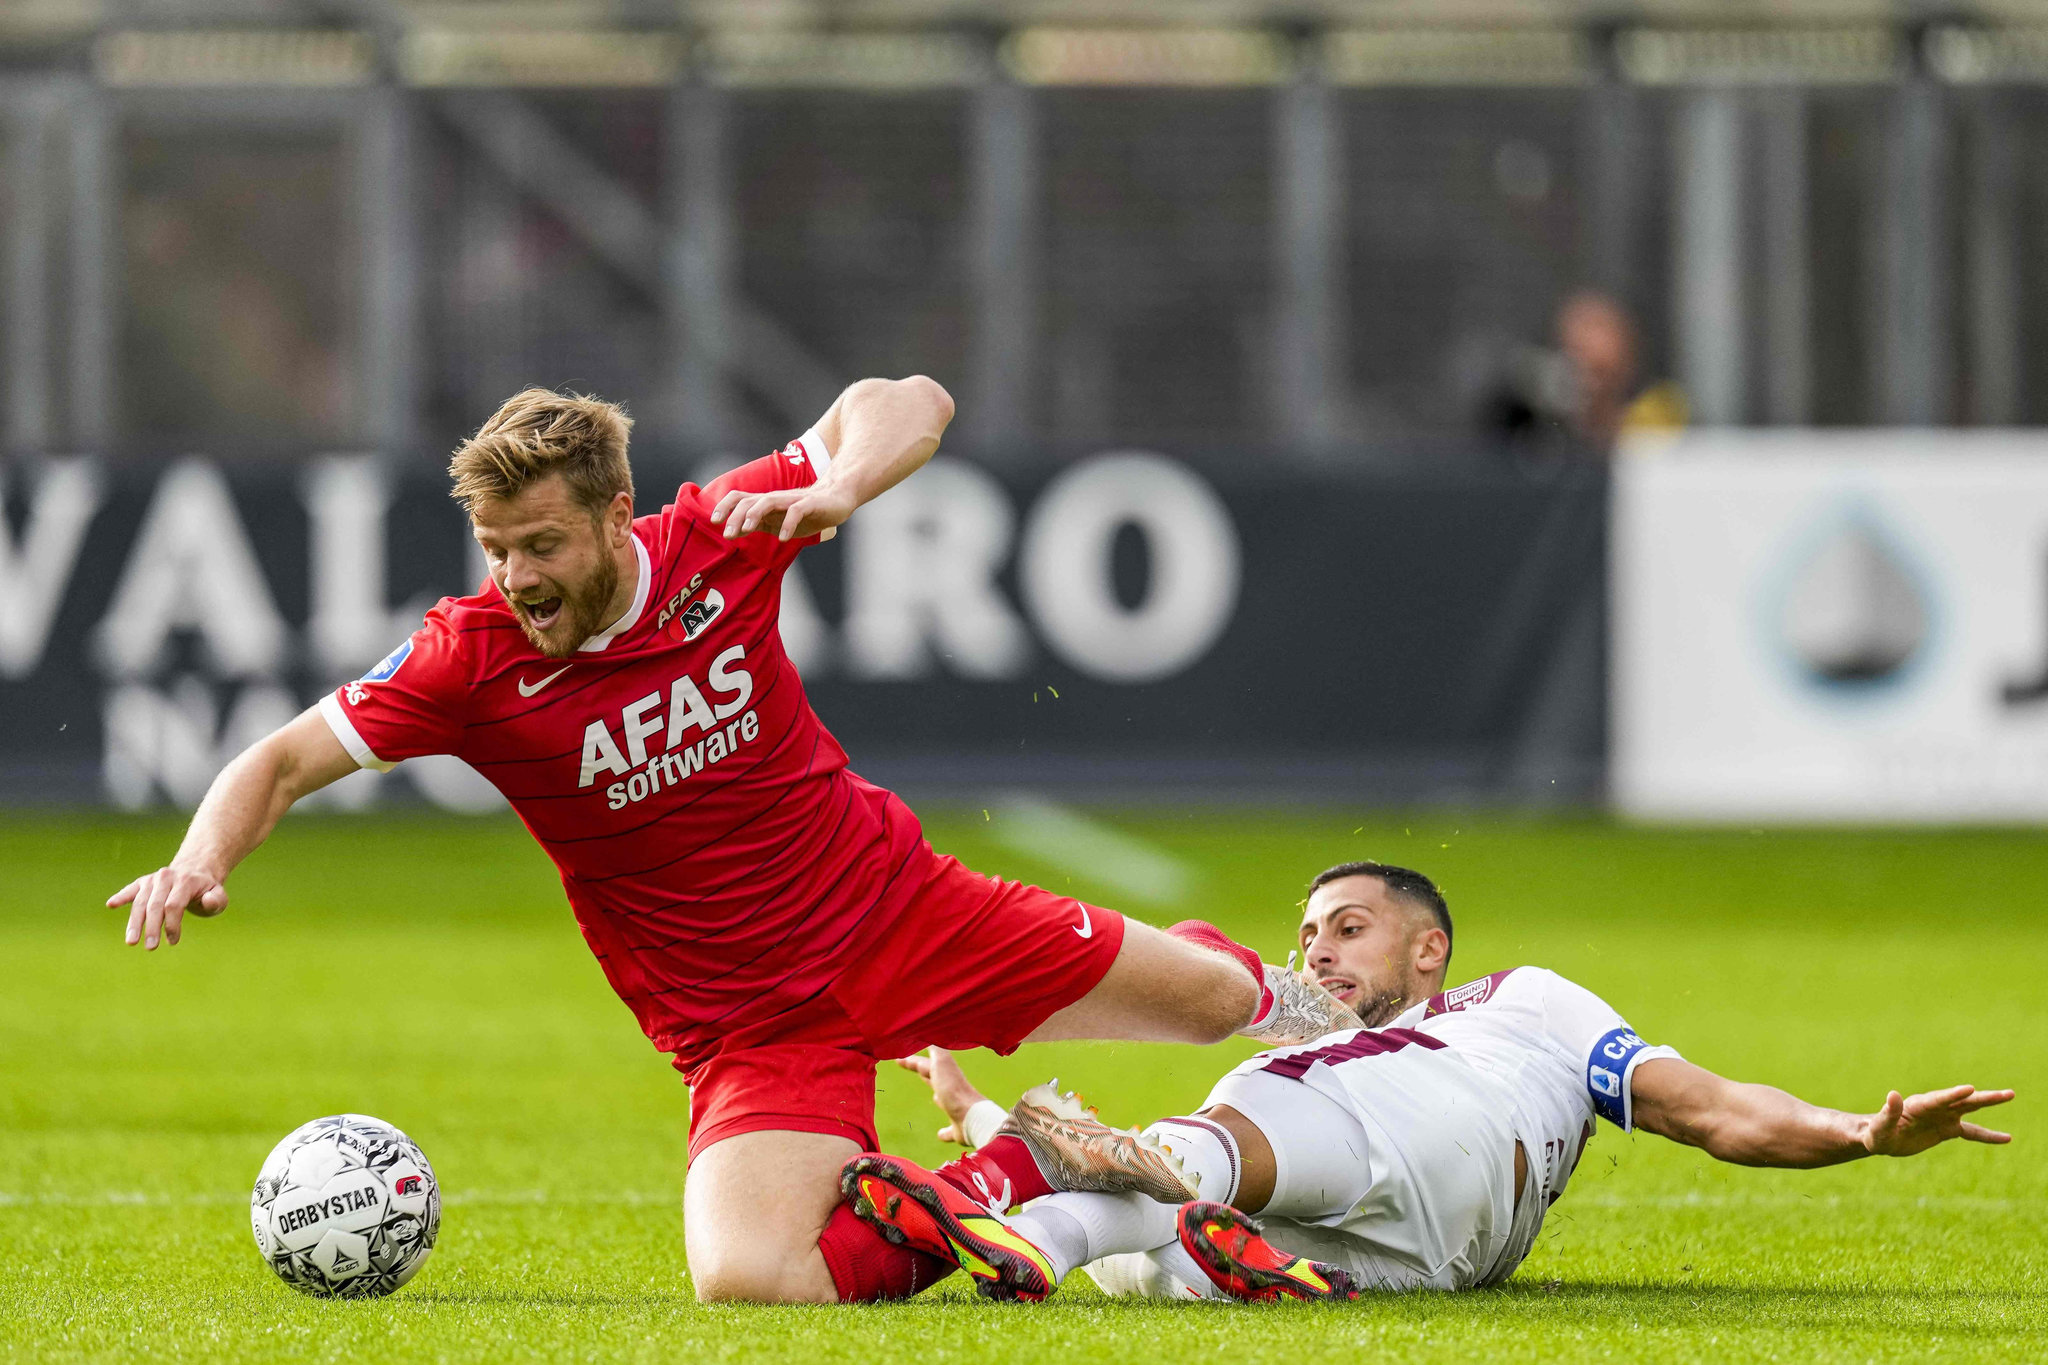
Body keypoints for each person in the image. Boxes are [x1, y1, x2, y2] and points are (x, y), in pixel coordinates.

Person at [105, 381, 1358, 1304]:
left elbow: (905, 398)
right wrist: (201, 859)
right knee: (749, 1280)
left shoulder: (718, 536)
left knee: (1209, 1005)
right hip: (752, 1026)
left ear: (617, 516)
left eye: (542, 544)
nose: (519, 579)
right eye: (496, 551)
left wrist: (840, 487)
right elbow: (274, 760)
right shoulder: (465, 659)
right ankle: (1022, 1170)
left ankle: (1362, 1012)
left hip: (902, 913)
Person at [847, 859, 2015, 1302]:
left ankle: (1026, 1200)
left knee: (1239, 1108)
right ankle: (1056, 1230)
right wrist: (974, 1105)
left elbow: (1710, 1112)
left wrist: (1857, 1132)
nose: (1315, 953)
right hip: (1424, 1262)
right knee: (1158, 1262)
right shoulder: (1311, 1039)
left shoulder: (1523, 1004)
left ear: (1427, 950)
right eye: (1304, 935)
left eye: (1346, 928)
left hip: (1444, 1130)